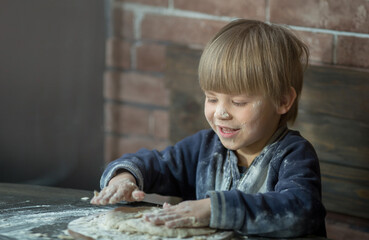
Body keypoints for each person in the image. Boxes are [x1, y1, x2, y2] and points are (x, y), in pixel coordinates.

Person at [91, 19, 326, 238]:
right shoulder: (204, 148)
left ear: (283, 101)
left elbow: (301, 210)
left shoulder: (293, 155)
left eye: (238, 102)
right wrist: (124, 178)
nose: (221, 113)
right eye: (212, 99)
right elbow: (156, 164)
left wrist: (216, 209)